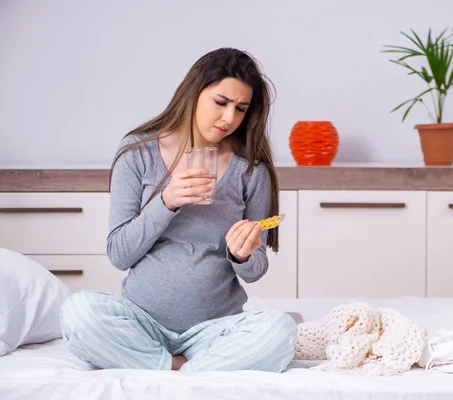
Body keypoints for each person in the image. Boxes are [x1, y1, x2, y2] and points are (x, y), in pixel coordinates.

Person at [59, 47, 298, 373]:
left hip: (215, 329)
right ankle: (186, 368)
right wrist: (166, 202)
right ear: (194, 92)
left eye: (241, 109)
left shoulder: (250, 171)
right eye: (221, 103)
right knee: (78, 312)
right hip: (142, 323)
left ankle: (173, 369)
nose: (229, 118)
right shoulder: (137, 153)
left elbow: (256, 269)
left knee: (280, 330)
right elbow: (119, 254)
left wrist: (242, 255)